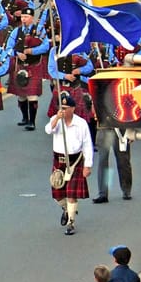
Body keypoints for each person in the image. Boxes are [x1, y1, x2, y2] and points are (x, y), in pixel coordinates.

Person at [46, 93, 93, 236]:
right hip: (59, 161)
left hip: (75, 161)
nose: (63, 110)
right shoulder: (56, 119)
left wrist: (88, 165)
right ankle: (66, 209)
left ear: (73, 108)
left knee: (72, 194)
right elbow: (48, 130)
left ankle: (71, 222)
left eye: (66, 108)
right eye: (61, 107)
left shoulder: (81, 123)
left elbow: (87, 144)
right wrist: (56, 119)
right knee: (58, 195)